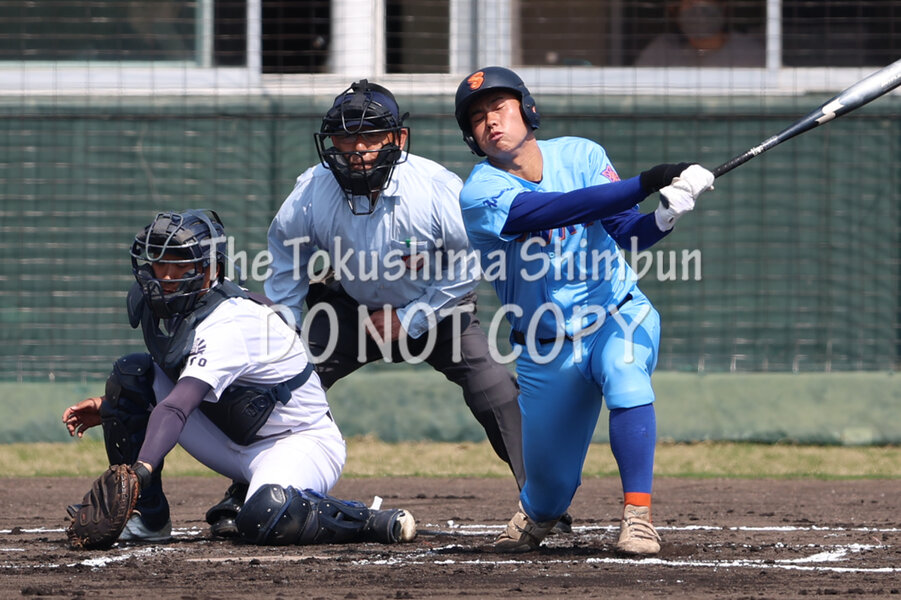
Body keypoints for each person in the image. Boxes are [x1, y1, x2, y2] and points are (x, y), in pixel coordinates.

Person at [242, 78, 564, 532]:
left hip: (439, 312)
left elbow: (470, 262)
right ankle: (248, 497)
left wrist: (411, 317)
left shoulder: (434, 187)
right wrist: (286, 332)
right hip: (351, 313)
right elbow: (285, 255)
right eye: (345, 136)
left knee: (495, 390)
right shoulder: (313, 188)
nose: (357, 148)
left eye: (371, 135)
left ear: (398, 137)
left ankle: (545, 503)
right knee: (283, 383)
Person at [452, 66, 715, 554]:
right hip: (546, 346)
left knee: (626, 374)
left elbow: (628, 233)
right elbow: (557, 209)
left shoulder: (582, 154)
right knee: (549, 491)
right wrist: (650, 179)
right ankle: (539, 510)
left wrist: (665, 214)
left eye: (499, 107)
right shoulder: (479, 192)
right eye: (478, 117)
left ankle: (638, 517)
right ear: (471, 136)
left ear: (527, 109)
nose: (490, 121)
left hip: (617, 314)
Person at [62, 209, 416, 547]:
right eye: (160, 261)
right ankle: (147, 518)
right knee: (131, 376)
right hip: (234, 436)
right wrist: (117, 405)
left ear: (212, 268)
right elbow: (170, 382)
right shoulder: (165, 304)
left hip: (297, 442)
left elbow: (178, 406)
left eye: (181, 263)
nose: (166, 276)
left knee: (266, 515)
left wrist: (139, 471)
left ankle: (367, 520)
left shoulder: (231, 321)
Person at [635, 0, 765, 67]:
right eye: (690, 3)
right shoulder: (661, 51)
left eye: (705, 1)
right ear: (676, 11)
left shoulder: (748, 52)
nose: (698, 10)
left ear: (721, 6)